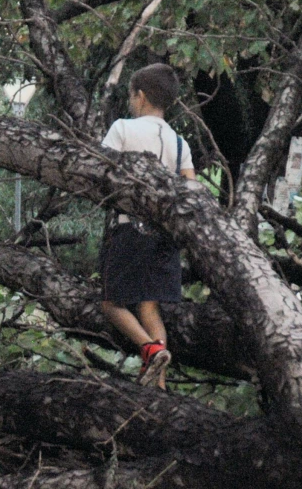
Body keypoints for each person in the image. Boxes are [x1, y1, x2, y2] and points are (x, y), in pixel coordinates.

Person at [99, 64, 196, 389]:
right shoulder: (179, 142)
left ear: (140, 96)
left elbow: (100, 170)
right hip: (164, 237)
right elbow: (191, 189)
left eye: (131, 95)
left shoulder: (123, 129)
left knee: (112, 303)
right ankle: (160, 384)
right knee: (149, 307)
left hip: (129, 230)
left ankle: (150, 349)